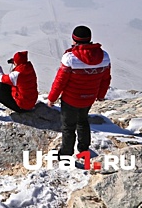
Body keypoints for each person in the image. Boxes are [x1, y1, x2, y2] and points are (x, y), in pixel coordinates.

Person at [47, 25, 111, 156]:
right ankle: (84, 148)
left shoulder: (70, 58)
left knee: (68, 127)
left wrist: (52, 98)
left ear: (74, 40)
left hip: (70, 99)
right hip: (89, 98)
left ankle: (66, 153)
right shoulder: (104, 57)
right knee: (83, 121)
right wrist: (100, 95)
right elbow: (106, 79)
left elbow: (60, 81)